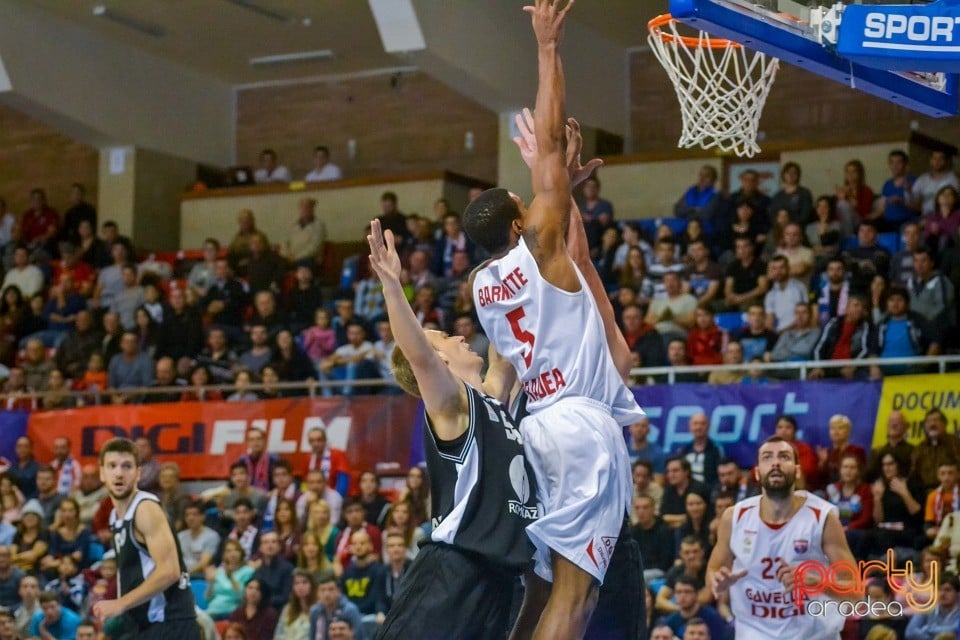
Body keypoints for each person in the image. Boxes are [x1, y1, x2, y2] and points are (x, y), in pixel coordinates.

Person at [461, 4, 644, 638]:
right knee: (573, 603)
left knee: (540, 599)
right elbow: (547, 163)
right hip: (579, 427)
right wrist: (547, 49)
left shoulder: (484, 287)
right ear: (520, 224)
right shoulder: (538, 244)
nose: (537, 198)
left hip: (535, 429)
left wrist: (561, 181)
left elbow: (501, 373)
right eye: (528, 201)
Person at [366, 213, 539, 639]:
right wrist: (393, 285)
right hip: (452, 572)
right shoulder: (450, 406)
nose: (462, 337)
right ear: (439, 360)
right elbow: (417, 354)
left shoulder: (491, 401)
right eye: (446, 336)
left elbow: (504, 355)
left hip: (497, 581)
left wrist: (513, 266)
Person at [708, 436, 858, 640]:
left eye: (784, 456)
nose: (776, 462)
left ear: (797, 470)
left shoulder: (822, 517)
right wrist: (718, 582)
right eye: (767, 457)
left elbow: (856, 593)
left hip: (813, 635)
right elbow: (713, 572)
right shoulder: (734, 517)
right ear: (757, 472)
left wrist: (816, 582)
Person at [91, 438, 199, 639]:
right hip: (143, 626)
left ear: (138, 473)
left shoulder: (145, 509)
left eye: (127, 466)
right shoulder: (116, 516)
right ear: (102, 473)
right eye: (112, 466)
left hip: (170, 624)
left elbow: (170, 571)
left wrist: (121, 603)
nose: (119, 473)